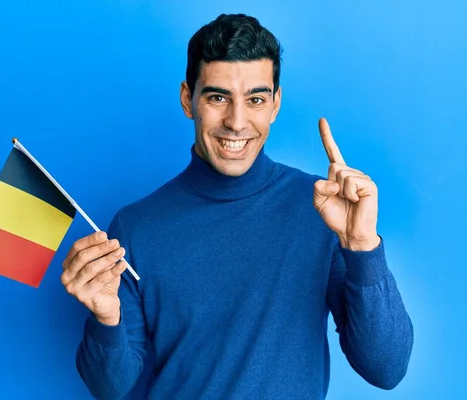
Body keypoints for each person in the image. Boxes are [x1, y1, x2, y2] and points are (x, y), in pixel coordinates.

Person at [61, 13, 414, 399]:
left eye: (256, 99)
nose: (237, 122)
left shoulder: (322, 210)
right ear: (187, 99)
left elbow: (387, 368)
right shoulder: (134, 227)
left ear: (275, 105)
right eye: (217, 97)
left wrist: (363, 247)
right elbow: (110, 388)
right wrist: (107, 320)